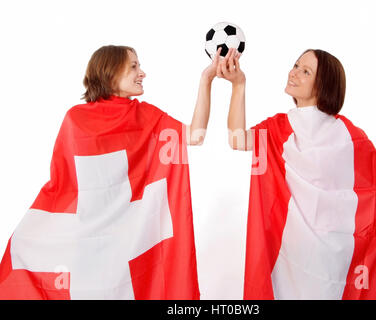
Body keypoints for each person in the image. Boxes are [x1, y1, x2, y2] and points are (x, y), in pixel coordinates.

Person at [0, 45, 221, 300]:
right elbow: (63, 186)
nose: (143, 73)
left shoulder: (145, 116)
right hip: (87, 248)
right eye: (134, 66)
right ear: (111, 71)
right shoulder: (75, 120)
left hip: (128, 246)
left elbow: (195, 135)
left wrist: (207, 79)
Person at [217, 48, 376, 299]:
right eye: (296, 65)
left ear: (323, 85)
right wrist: (239, 85)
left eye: (305, 71)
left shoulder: (348, 135)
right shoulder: (280, 127)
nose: (293, 73)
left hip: (329, 257)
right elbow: (237, 139)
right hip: (290, 251)